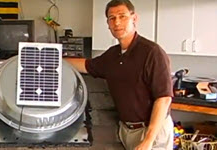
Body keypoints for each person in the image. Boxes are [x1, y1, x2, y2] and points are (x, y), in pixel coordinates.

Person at [66, 0, 174, 149]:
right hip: (126, 132)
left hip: (152, 133)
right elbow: (86, 65)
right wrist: (54, 59)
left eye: (122, 16)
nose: (117, 22)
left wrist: (148, 140)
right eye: (112, 18)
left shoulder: (152, 53)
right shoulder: (112, 55)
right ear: (108, 23)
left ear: (134, 18)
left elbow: (163, 99)